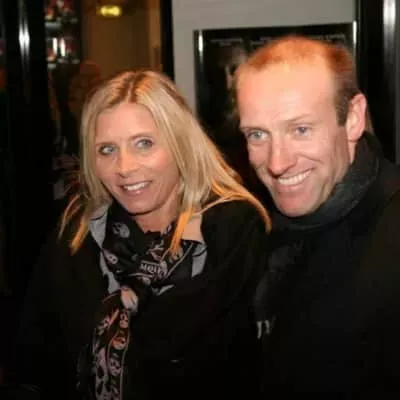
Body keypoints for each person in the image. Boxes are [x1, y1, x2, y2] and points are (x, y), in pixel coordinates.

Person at [15, 70, 271, 400]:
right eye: (107, 150)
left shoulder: (234, 231)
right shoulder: (77, 235)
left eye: (144, 144)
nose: (125, 167)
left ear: (180, 143)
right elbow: (34, 364)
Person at [234, 35, 400, 396]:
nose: (277, 163)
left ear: (353, 118)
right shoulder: (257, 230)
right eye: (258, 135)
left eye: (301, 130)